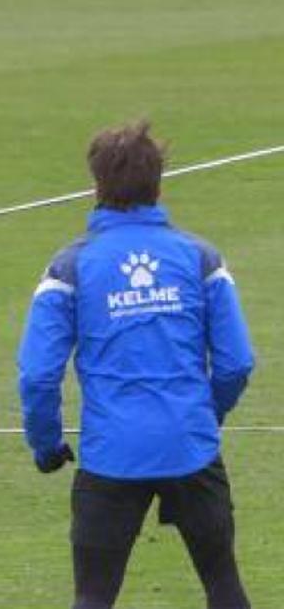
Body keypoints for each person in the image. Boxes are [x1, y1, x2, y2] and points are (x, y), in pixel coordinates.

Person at [17, 121, 255, 609]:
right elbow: (236, 362)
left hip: (111, 455)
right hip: (191, 447)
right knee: (224, 586)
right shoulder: (201, 258)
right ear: (159, 184)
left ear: (95, 185)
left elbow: (38, 374)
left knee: (94, 596)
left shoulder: (69, 267)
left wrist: (46, 445)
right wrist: (204, 416)